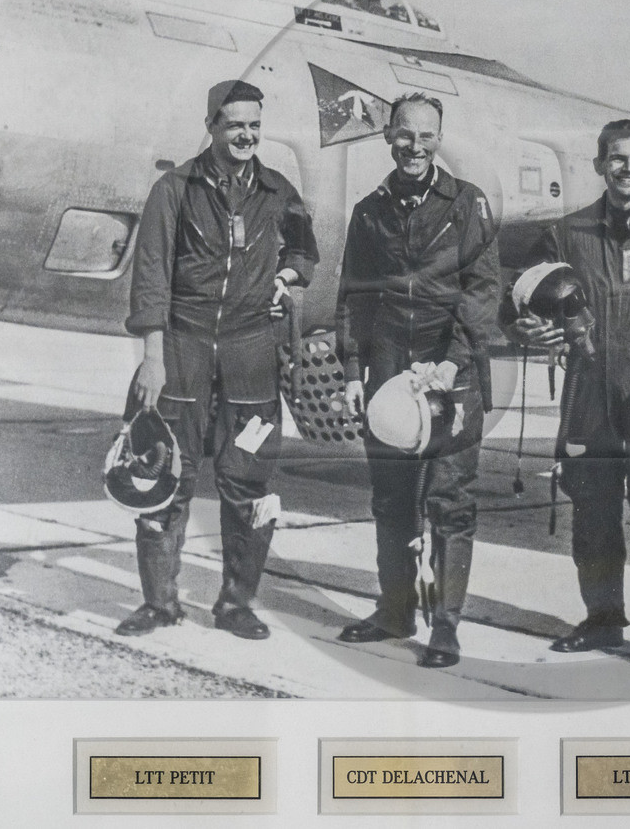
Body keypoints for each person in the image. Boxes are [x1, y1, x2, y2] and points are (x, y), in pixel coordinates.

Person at [117, 79, 319, 641]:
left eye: (254, 125)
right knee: (164, 478)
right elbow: (151, 275)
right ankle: (160, 604)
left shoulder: (277, 191)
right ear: (212, 126)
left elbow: (306, 249)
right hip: (181, 346)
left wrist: (285, 276)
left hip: (251, 351)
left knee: (247, 482)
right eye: (235, 125)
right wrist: (151, 359)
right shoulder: (174, 189)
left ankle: (236, 604)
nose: (246, 135)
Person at [508, 119, 630, 675]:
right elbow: (519, 299)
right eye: (617, 158)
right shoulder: (567, 233)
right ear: (599, 164)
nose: (629, 168)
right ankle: (602, 617)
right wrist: (527, 329)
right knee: (592, 516)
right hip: (588, 398)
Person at [334, 92, 501, 668]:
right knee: (392, 500)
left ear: (439, 139)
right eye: (405, 134)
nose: (415, 145)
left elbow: (483, 292)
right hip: (388, 369)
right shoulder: (370, 210)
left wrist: (454, 362)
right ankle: (394, 610)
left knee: (450, 499)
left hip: (450, 369)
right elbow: (353, 295)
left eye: (426, 135)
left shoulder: (468, 204)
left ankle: (446, 625)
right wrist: (355, 371)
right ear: (388, 137)